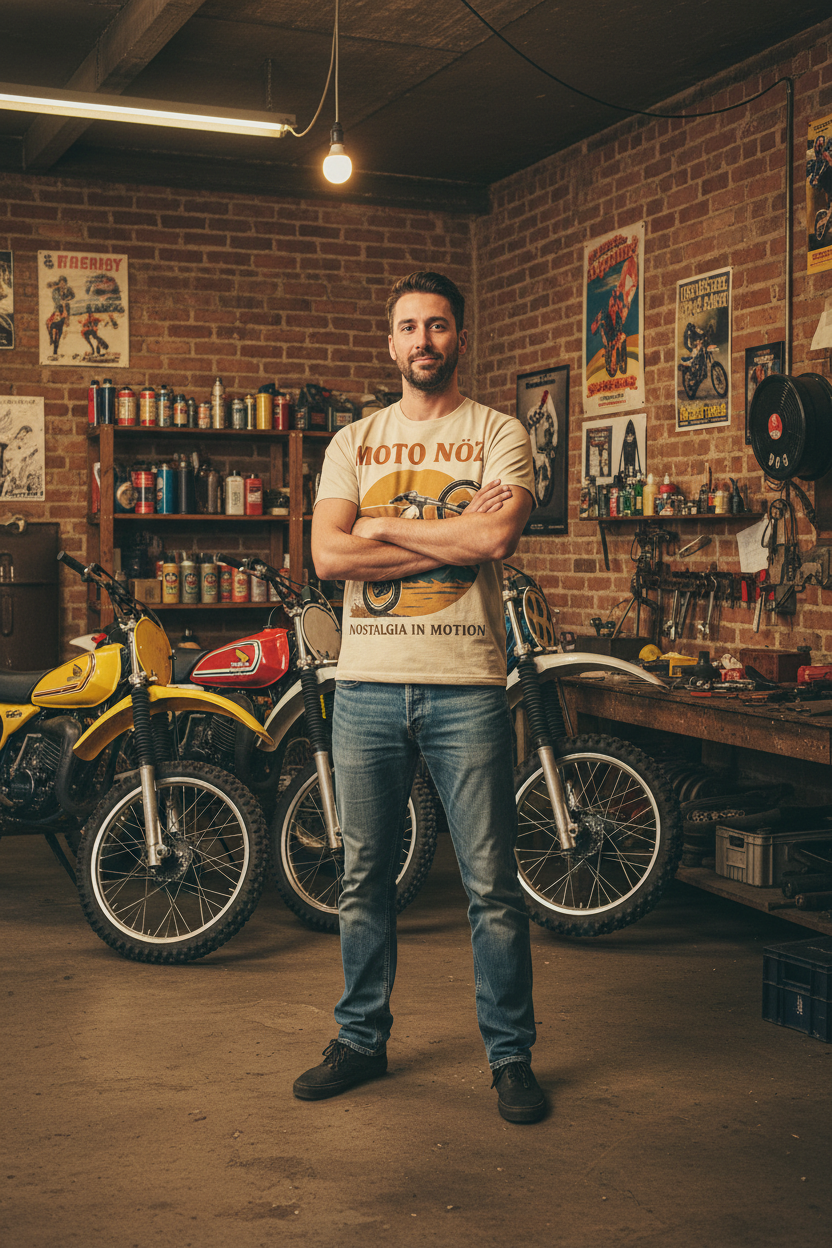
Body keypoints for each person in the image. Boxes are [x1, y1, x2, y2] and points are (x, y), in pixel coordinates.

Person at [294, 270, 544, 1123]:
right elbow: (328, 557)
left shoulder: (498, 432)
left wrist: (380, 524)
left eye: (437, 326)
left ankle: (510, 1057)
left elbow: (494, 537)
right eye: (409, 327)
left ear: (459, 338)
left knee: (492, 885)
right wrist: (447, 538)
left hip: (466, 685)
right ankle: (360, 1039)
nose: (423, 341)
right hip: (365, 686)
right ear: (391, 341)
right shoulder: (354, 442)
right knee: (362, 877)